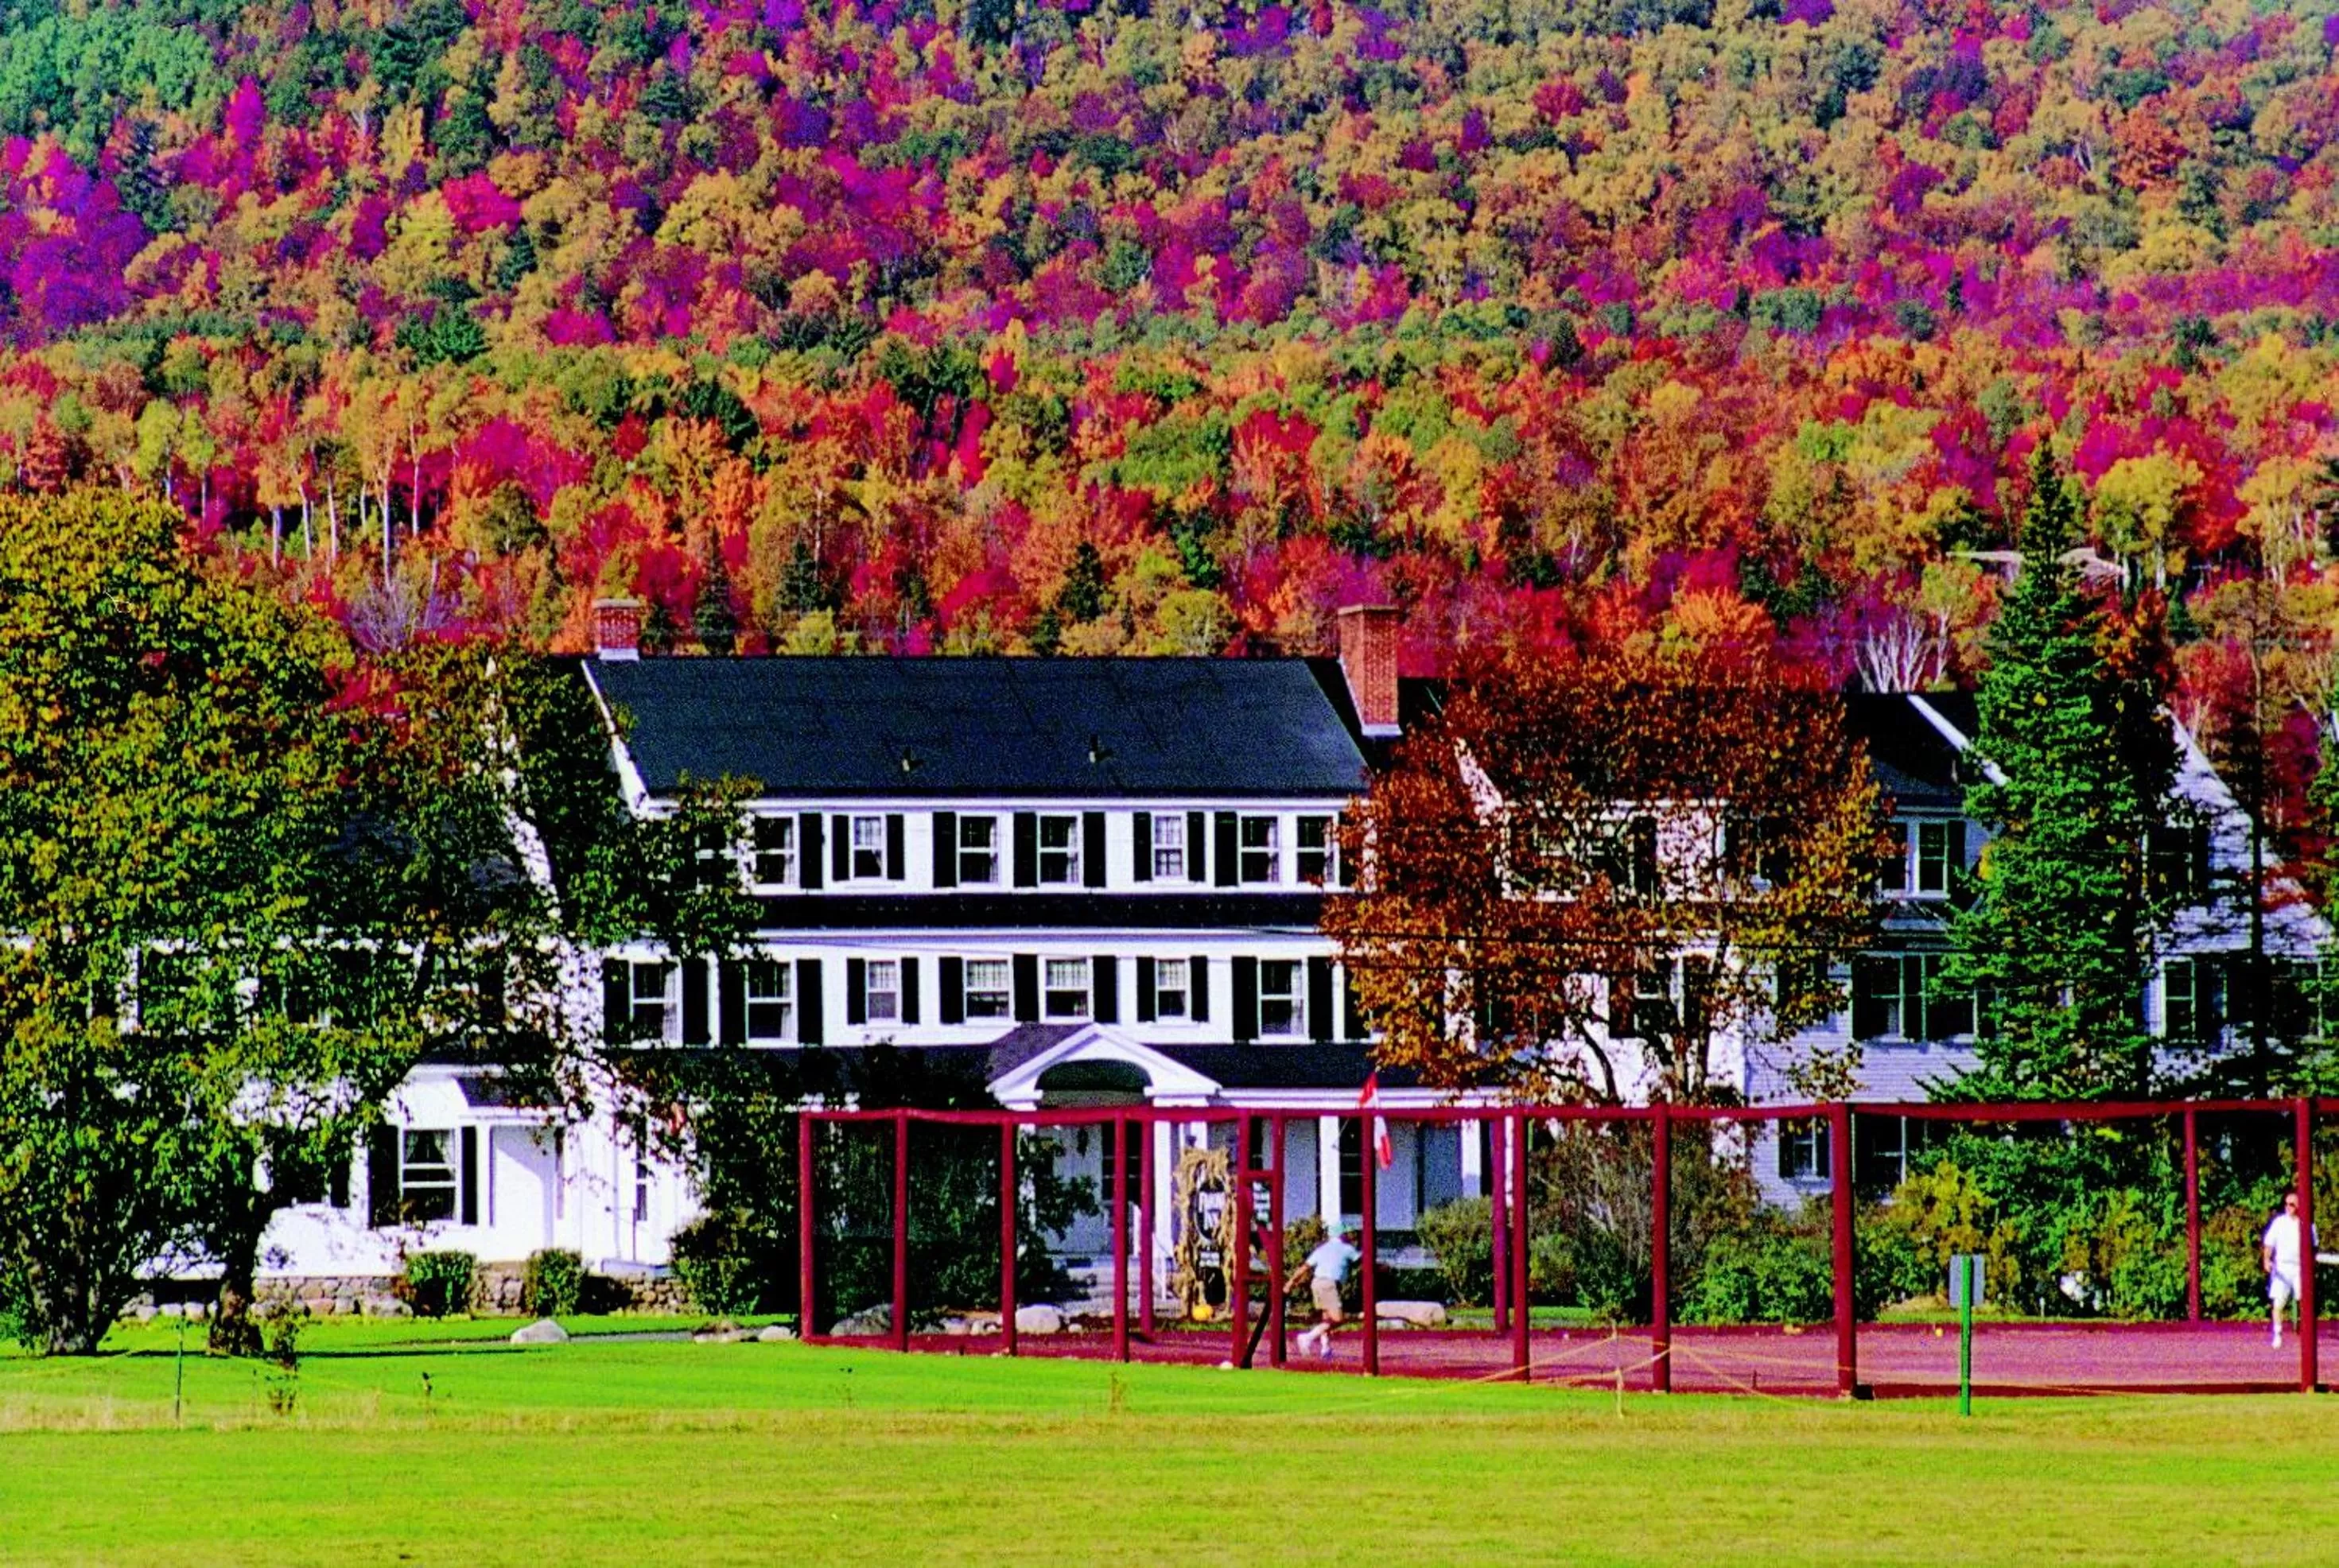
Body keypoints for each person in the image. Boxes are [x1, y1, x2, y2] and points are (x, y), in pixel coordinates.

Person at [1293, 1224, 1362, 1360]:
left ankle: (1326, 1349)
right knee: (1338, 1318)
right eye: (1347, 1233)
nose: (1349, 1236)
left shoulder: (1322, 1249)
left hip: (1317, 1282)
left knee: (1326, 1318)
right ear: (1342, 1235)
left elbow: (1305, 1266)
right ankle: (1307, 1337)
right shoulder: (1346, 1248)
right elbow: (1361, 1259)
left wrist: (1291, 1282)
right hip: (1329, 1283)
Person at [2263, 1191, 2315, 1349]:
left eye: (2291, 1204)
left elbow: (2314, 1246)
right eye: (2286, 1204)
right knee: (2278, 1303)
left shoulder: (2306, 1224)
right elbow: (2269, 1244)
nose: (2288, 1207)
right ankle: (2277, 1334)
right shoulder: (2279, 1223)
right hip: (2282, 1268)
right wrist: (2266, 1260)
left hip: (2300, 1268)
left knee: (2304, 1302)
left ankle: (2305, 1335)